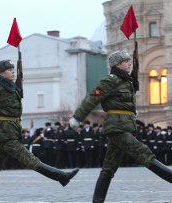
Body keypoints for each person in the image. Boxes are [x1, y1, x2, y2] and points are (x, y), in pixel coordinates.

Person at [0, 60, 79, 202]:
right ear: (1, 73)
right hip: (4, 133)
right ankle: (60, 176)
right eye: (9, 70)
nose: (13, 71)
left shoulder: (12, 88)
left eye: (13, 69)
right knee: (28, 158)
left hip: (11, 131)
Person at [68, 50, 172, 202]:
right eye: (125, 61)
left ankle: (97, 200)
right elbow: (92, 98)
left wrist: (132, 110)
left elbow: (123, 101)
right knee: (143, 153)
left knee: (109, 167)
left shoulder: (125, 81)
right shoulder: (110, 80)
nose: (129, 63)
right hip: (116, 127)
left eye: (129, 61)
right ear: (117, 64)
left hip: (125, 125)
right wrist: (77, 118)